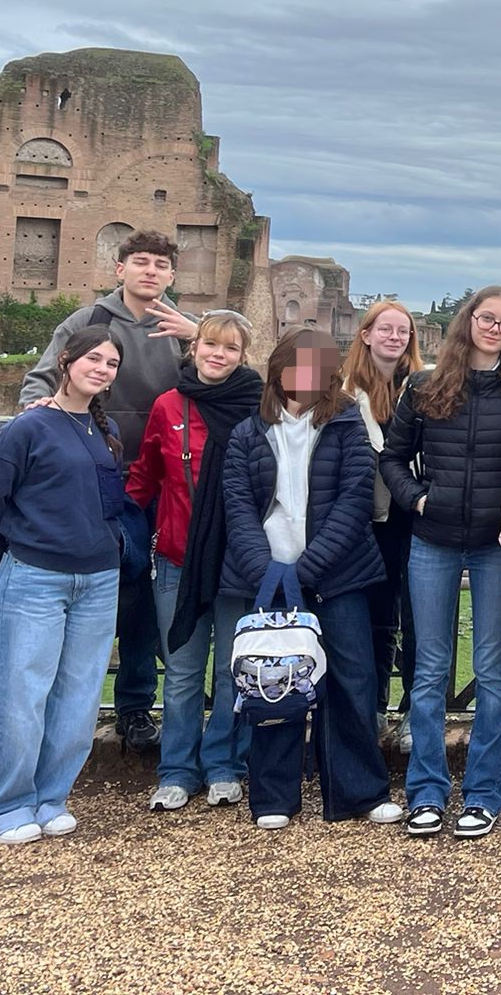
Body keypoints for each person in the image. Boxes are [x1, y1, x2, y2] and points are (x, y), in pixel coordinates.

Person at [19, 229, 199, 754]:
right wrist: (37, 415)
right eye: (140, 261)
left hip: (165, 479)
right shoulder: (88, 320)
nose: (150, 271)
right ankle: (62, 710)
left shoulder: (181, 327)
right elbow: (42, 379)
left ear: (170, 275)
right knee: (97, 589)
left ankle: (135, 705)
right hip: (101, 473)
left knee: (147, 594)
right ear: (120, 269)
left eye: (160, 265)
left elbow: (227, 374)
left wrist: (196, 335)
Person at [378, 287, 501, 840]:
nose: (494, 328)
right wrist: (418, 499)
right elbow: (392, 458)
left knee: (491, 670)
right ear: (468, 320)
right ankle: (427, 791)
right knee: (429, 670)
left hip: (497, 544)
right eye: (486, 318)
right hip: (433, 539)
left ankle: (484, 792)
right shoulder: (425, 385)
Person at [218, 328, 403, 831]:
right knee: (272, 682)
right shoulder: (247, 432)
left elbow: (353, 501)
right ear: (278, 370)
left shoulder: (346, 424)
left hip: (336, 573)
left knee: (352, 680)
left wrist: (306, 570)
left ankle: (359, 791)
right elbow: (238, 508)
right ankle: (274, 795)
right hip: (268, 576)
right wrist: (268, 571)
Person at [0, 327, 127, 843]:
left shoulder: (104, 430)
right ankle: (4, 806)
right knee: (20, 694)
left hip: (97, 581)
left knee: (78, 697)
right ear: (66, 361)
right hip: (34, 576)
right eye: (93, 358)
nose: (101, 369)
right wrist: (0, 569)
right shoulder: (27, 427)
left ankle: (50, 797)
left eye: (111, 364)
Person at [124, 309, 263, 811]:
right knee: (182, 671)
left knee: (230, 669)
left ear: (243, 357)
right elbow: (145, 475)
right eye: (210, 344)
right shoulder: (168, 405)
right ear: (194, 347)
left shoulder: (256, 405)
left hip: (233, 560)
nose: (218, 355)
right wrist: (110, 521)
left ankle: (225, 764)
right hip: (179, 557)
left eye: (230, 348)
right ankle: (177, 769)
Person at [339, 300, 425, 754]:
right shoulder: (342, 391)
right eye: (386, 329)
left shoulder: (426, 386)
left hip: (417, 517)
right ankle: (372, 707)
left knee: (419, 620)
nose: (395, 337)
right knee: (374, 619)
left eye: (403, 331)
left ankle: (416, 710)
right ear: (366, 334)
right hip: (365, 521)